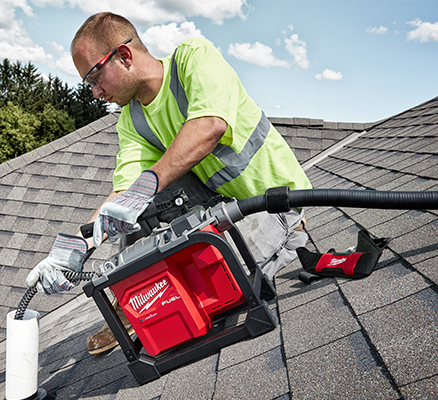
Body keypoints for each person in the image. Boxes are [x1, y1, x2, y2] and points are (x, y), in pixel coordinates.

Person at [26, 12, 312, 355]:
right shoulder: (132, 119)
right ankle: (132, 297)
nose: (94, 91)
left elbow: (210, 126)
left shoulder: (194, 57)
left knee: (216, 277)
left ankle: (159, 290)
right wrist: (75, 248)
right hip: (224, 213)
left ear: (124, 55)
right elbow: (123, 194)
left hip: (278, 207)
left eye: (94, 76)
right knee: (136, 203)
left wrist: (145, 187)